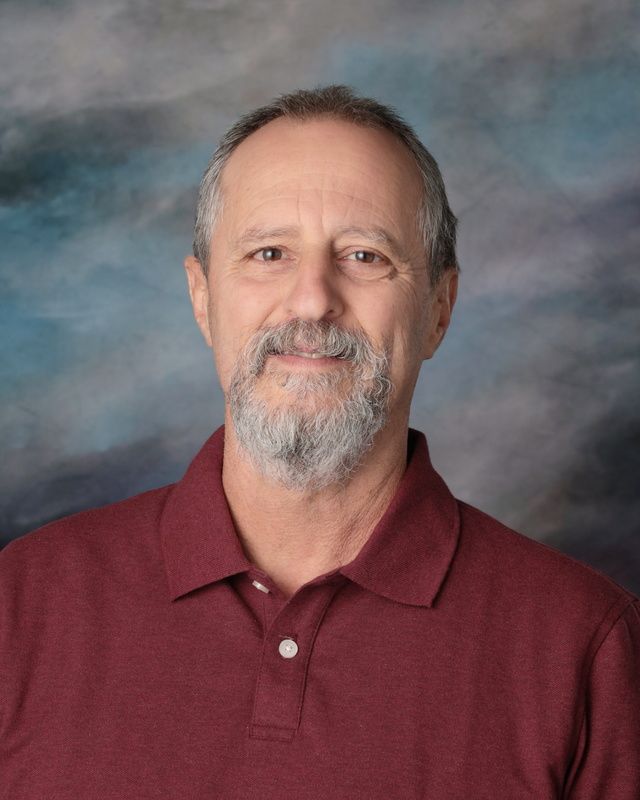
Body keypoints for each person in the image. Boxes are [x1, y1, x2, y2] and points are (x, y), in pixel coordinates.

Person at [0, 85, 638, 799]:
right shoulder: (21, 606)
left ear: (438, 309)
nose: (312, 300)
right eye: (269, 252)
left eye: (365, 257)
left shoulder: (585, 643)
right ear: (203, 298)